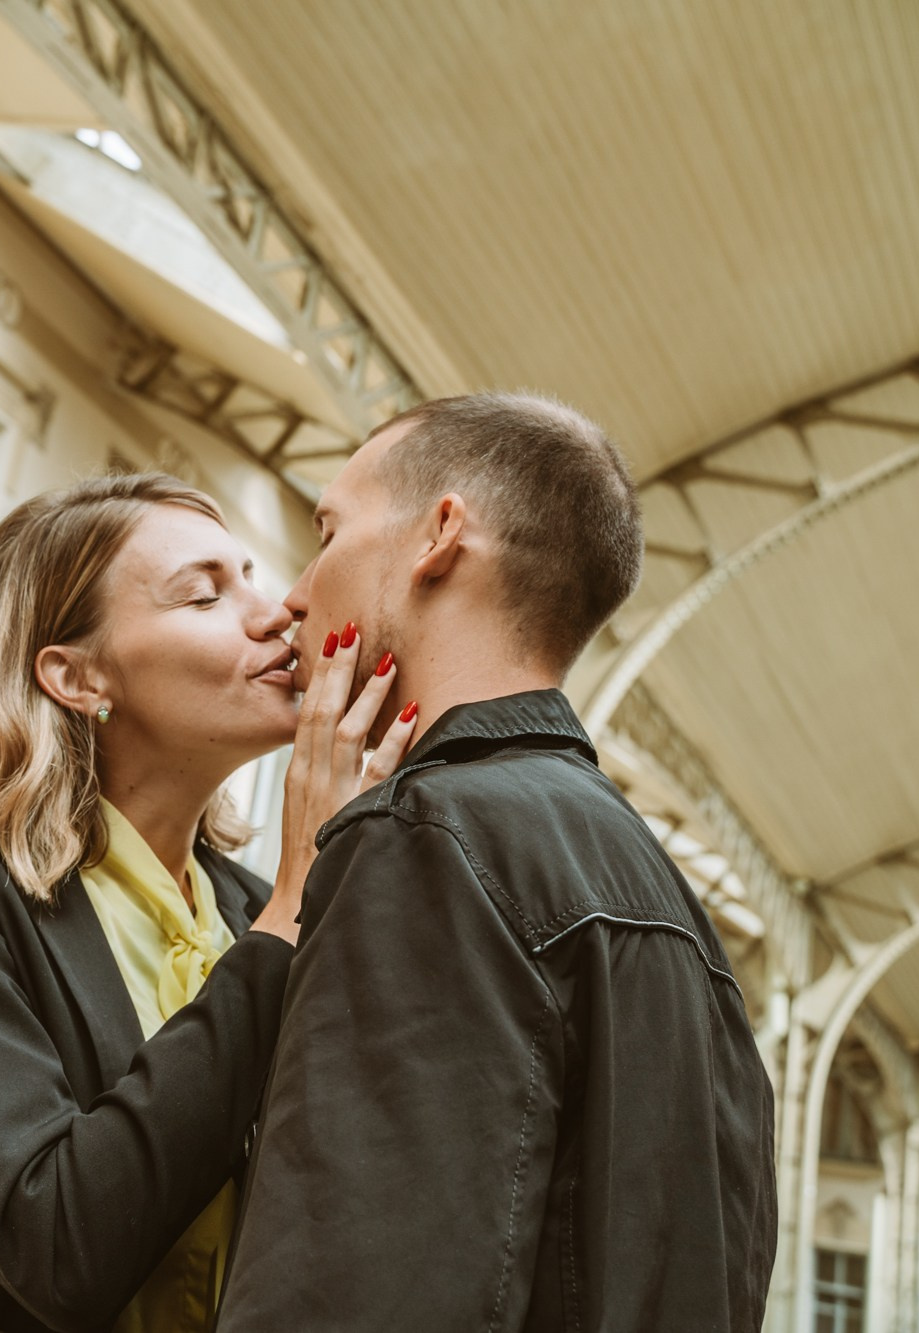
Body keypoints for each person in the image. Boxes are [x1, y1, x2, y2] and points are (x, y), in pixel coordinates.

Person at [218, 394, 778, 1332]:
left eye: (329, 531)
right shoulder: (688, 925)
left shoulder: (424, 839)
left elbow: (346, 1297)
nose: (295, 594)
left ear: (439, 535)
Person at [0, 472, 416, 1333]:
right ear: (79, 676)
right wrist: (292, 911)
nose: (277, 610)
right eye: (205, 594)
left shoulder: (255, 901)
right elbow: (57, 1240)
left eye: (251, 575)